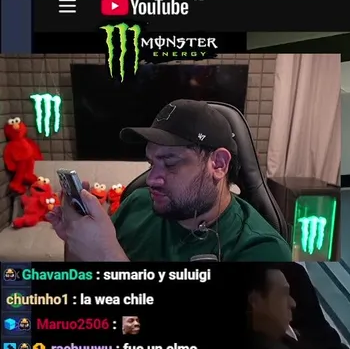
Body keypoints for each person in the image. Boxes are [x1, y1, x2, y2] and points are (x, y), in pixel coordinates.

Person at [48, 99, 290, 262]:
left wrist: (108, 256)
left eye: (171, 163)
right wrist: (76, 237)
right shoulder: (137, 204)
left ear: (218, 164)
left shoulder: (261, 250)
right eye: (151, 163)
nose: (151, 179)